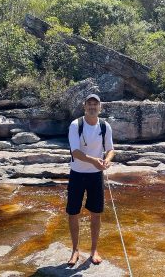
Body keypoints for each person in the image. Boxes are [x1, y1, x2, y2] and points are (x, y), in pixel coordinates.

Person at [66, 93, 115, 266]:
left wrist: (107, 159)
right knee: (73, 213)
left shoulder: (104, 125)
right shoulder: (76, 125)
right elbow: (75, 152)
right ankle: (75, 250)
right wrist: (94, 160)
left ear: (100, 107)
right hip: (77, 174)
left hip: (96, 176)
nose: (92, 107)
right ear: (84, 106)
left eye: (96, 104)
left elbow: (110, 149)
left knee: (96, 213)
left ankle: (94, 250)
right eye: (89, 104)